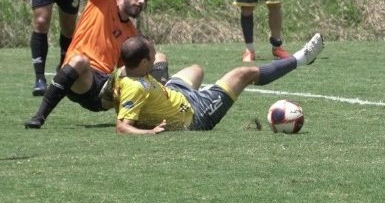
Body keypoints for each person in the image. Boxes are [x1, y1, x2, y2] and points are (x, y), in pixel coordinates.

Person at [24, 0, 160, 129]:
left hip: (102, 90)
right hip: (81, 77)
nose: (141, 1)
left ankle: (160, 106)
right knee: (79, 60)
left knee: (154, 57)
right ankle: (39, 117)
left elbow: (129, 69)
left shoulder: (131, 34)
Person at [113, 32, 324, 134]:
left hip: (174, 94)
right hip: (195, 114)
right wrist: (149, 132)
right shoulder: (134, 88)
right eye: (150, 53)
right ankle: (300, 59)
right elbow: (122, 127)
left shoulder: (125, 73)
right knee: (244, 73)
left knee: (194, 68)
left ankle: (166, 87)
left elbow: (113, 89)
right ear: (142, 63)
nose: (153, 52)